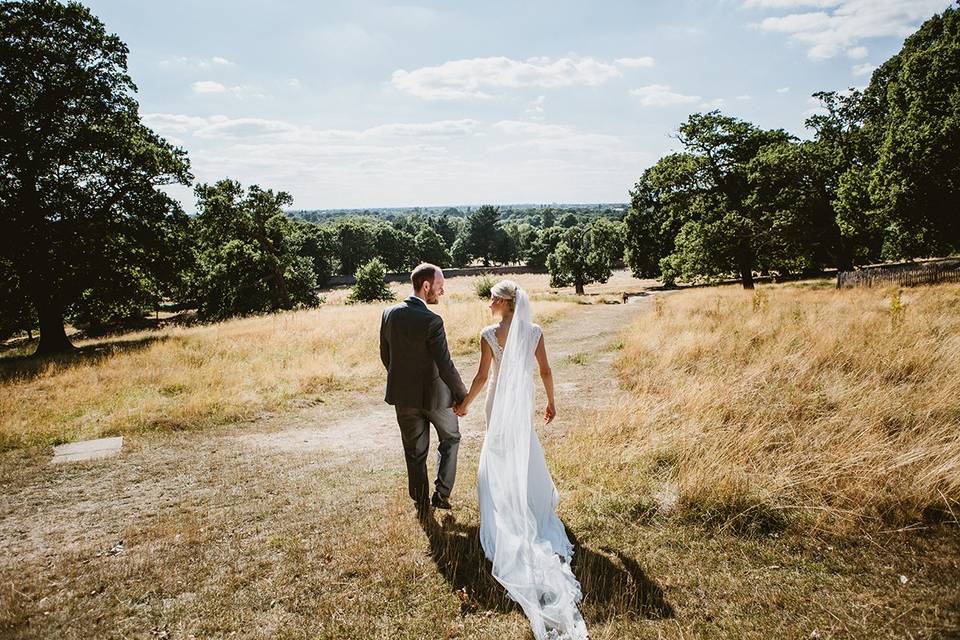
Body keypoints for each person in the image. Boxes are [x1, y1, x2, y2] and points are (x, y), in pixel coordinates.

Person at [457, 280, 589, 640]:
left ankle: (503, 512)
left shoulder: (488, 334)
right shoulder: (534, 332)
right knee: (523, 453)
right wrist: (551, 401)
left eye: (491, 298)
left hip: (498, 405)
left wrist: (465, 404)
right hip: (518, 408)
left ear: (502, 301)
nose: (488, 303)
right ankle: (528, 505)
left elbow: (483, 377)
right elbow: (545, 370)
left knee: (495, 459)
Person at [380, 263, 468, 517]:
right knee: (451, 439)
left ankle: (420, 503)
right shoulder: (432, 320)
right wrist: (462, 395)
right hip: (436, 399)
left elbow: (386, 356)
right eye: (439, 286)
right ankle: (441, 494)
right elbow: (445, 365)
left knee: (414, 452)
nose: (442, 291)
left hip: (403, 398)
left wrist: (403, 380)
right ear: (426, 285)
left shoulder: (388, 313)